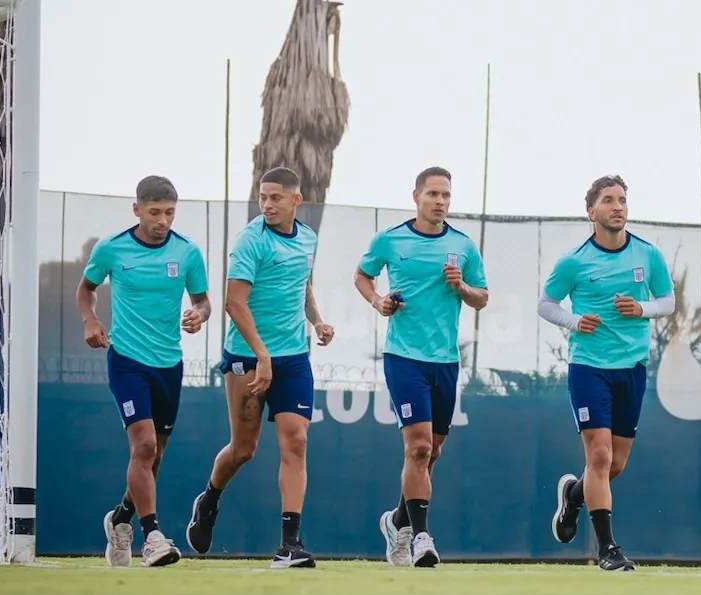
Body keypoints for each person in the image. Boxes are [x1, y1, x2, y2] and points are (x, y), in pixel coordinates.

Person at [184, 167, 334, 569]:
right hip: (247, 357)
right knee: (244, 450)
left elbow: (301, 284)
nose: (267, 204)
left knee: (296, 441)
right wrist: (262, 357)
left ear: (295, 200)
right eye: (263, 197)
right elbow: (234, 303)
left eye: (275, 198)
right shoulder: (250, 240)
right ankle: (210, 499)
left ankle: (290, 545)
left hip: (294, 358)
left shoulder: (308, 238)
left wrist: (316, 320)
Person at [539, 175, 674, 572]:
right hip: (589, 369)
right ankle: (609, 549)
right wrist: (576, 321)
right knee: (598, 455)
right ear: (591, 211)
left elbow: (667, 301)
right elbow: (546, 304)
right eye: (609, 200)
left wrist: (642, 309)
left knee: (615, 464)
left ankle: (575, 496)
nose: (618, 207)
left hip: (631, 369)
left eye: (623, 200)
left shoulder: (648, 255)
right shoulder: (574, 261)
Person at [357, 167, 489, 568]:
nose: (440, 201)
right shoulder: (390, 239)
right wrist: (379, 301)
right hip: (403, 357)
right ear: (416, 196)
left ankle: (397, 520)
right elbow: (363, 276)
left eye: (446, 195)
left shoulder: (463, 247)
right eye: (433, 193)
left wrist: (461, 287)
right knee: (417, 447)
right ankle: (421, 538)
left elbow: (481, 297)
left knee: (432, 452)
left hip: (445, 361)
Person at [79, 175, 211, 568]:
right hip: (127, 361)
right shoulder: (112, 249)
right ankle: (152, 536)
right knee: (145, 446)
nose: (163, 220)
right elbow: (86, 288)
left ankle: (120, 519)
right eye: (155, 212)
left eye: (169, 212)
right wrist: (90, 320)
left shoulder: (187, 253)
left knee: (155, 457)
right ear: (137, 210)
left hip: (168, 364)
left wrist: (198, 316)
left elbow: (203, 300)